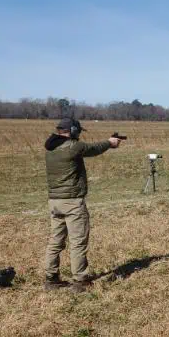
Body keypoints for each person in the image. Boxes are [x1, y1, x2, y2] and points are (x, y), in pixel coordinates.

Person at [43, 118, 121, 292]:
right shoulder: (73, 147)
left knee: (56, 241)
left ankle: (51, 279)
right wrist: (110, 143)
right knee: (78, 242)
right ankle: (80, 281)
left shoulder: (50, 148)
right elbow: (93, 149)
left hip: (55, 201)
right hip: (72, 202)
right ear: (72, 131)